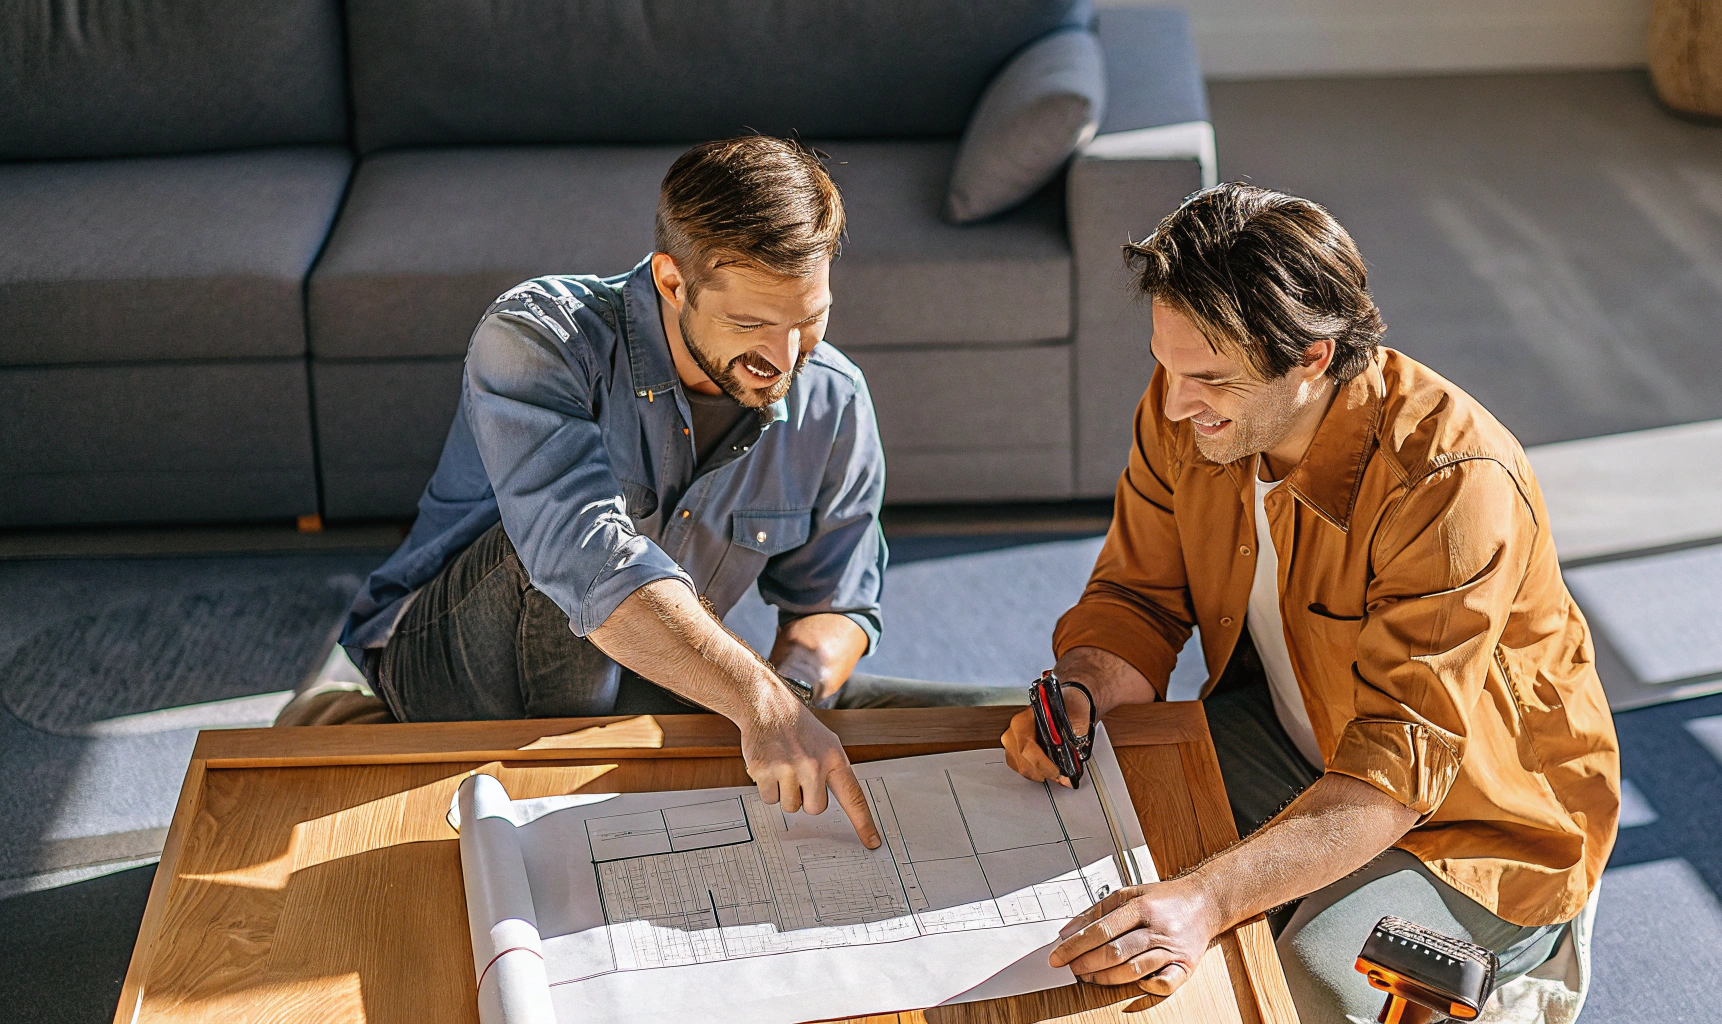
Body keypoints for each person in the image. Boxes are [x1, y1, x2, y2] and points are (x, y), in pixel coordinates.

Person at [999, 183, 1621, 1019]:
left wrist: (1207, 900)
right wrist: (1083, 687)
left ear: (1313, 358)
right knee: (1043, 823)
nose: (1175, 403)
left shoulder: (1451, 483)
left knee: (1309, 988)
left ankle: (1526, 966)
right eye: (1165, 365)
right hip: (1288, 734)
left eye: (1210, 379)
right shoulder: (1191, 406)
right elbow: (1137, 597)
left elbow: (1395, 774)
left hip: (1472, 828)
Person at [332, 136, 887, 847]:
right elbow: (587, 562)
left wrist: (794, 694)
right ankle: (567, 828)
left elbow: (835, 602)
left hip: (638, 676)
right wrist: (758, 700)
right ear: (671, 281)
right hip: (446, 664)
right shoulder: (538, 335)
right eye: (751, 325)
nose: (783, 359)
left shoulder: (833, 399)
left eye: (808, 320)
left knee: (949, 723)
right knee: (573, 560)